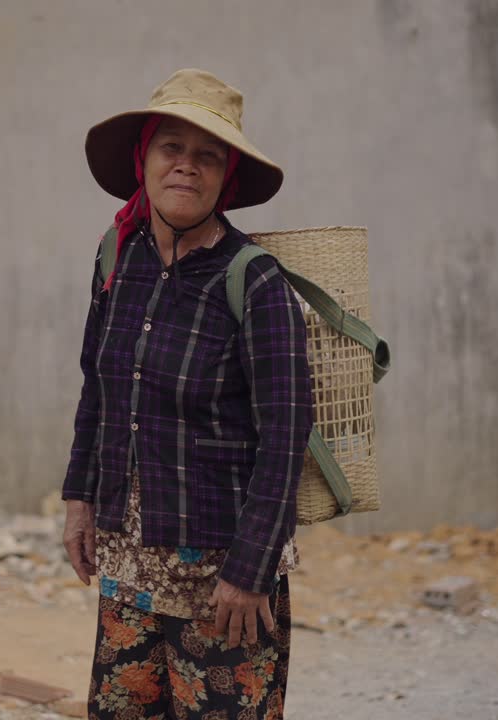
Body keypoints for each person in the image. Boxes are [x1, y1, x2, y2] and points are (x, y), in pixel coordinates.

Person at [62, 68, 313, 720]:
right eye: (171, 147)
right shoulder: (117, 256)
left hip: (221, 575)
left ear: (225, 178)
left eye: (208, 156)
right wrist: (79, 500)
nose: (186, 167)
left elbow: (285, 437)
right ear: (143, 158)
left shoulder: (252, 281)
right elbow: (98, 388)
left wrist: (252, 569)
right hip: (128, 558)